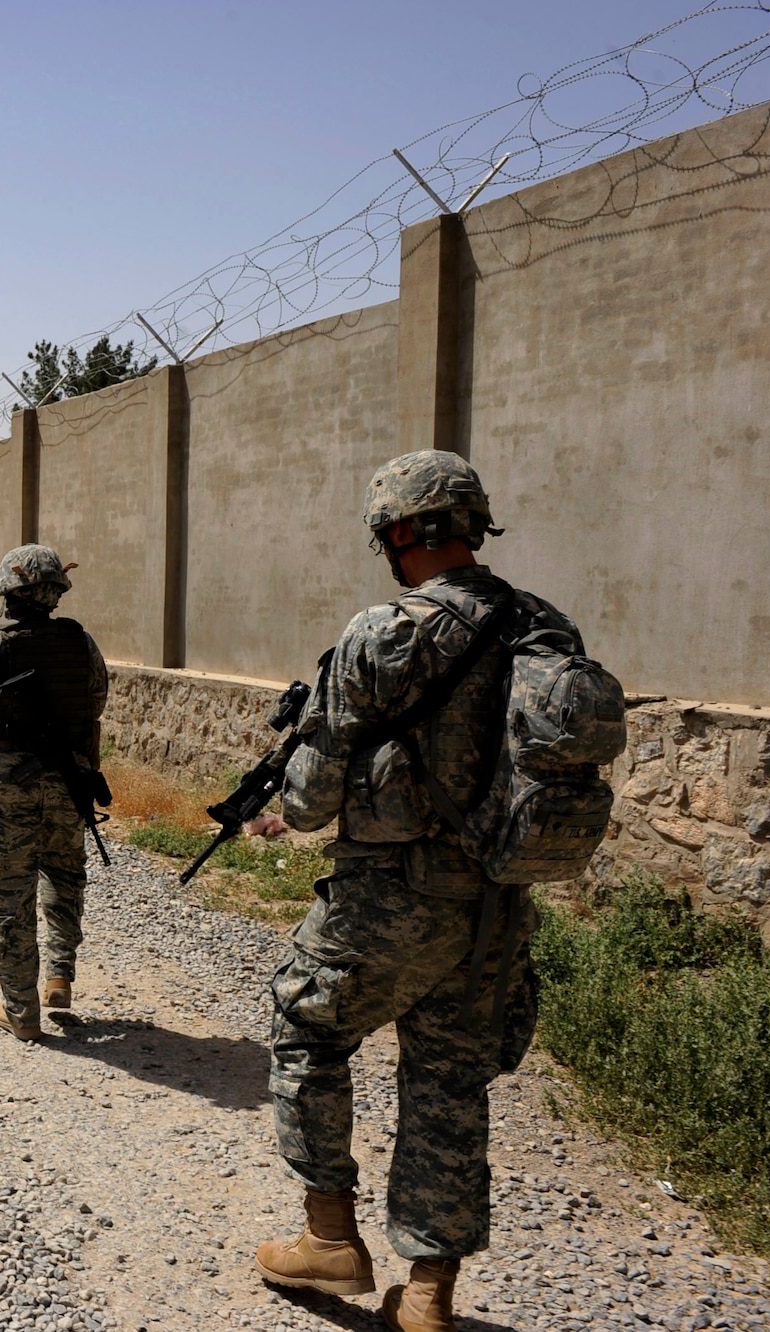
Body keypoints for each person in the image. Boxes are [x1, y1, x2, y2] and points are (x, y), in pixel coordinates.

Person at [254, 450, 580, 1331]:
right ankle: (429, 1292)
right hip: (495, 910)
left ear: (398, 532)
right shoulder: (543, 626)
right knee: (449, 1080)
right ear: (472, 524)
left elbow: (313, 798)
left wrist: (285, 805)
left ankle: (329, 1237)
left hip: (388, 901)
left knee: (305, 1024)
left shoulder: (383, 635)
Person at [0, 545, 108, 1042]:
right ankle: (59, 974)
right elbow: (95, 701)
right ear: (55, 591)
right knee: (64, 872)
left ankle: (21, 1011)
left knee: (11, 895)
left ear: (7, 591)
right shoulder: (81, 643)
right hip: (69, 779)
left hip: (8, 785)